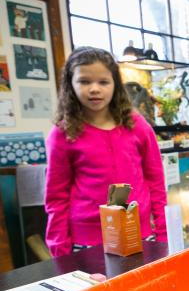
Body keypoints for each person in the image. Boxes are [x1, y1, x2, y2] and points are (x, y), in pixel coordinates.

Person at [45, 46, 167, 257]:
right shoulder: (62, 134)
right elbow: (56, 198)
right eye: (84, 81)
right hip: (87, 242)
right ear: (70, 84)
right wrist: (60, 253)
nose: (94, 89)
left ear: (115, 85)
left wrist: (164, 235)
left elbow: (156, 183)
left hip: (139, 234)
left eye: (103, 82)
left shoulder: (138, 126)